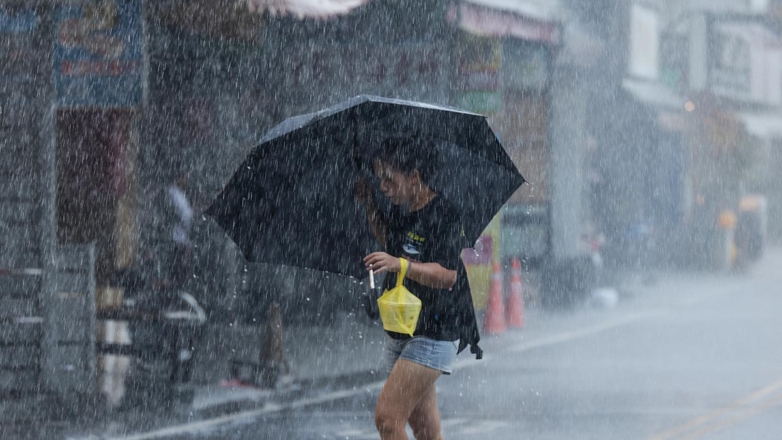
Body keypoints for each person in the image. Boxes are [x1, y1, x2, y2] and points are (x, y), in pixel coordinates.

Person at [355, 136, 481, 440]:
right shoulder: (403, 208)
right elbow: (390, 240)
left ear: (414, 176)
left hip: (436, 329)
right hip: (403, 327)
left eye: (389, 179)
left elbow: (448, 275)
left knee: (387, 418)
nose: (384, 186)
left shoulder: (444, 214)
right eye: (379, 179)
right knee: (423, 427)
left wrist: (401, 265)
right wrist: (370, 202)